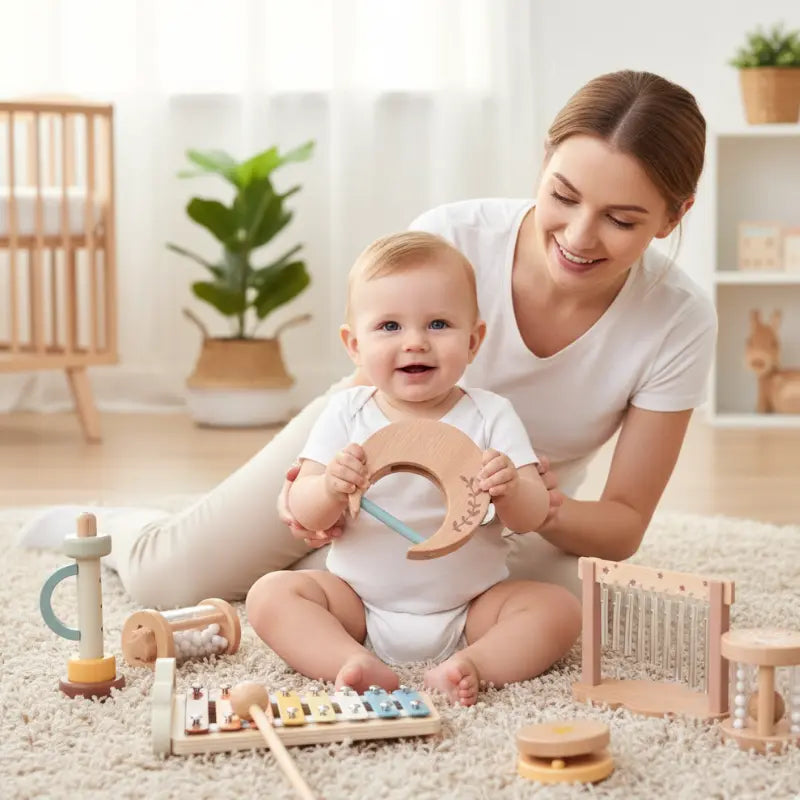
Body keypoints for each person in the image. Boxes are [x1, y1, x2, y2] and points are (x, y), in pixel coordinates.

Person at [18, 69, 716, 612]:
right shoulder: (457, 237)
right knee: (168, 580)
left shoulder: (676, 319)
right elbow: (371, 383)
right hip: (366, 438)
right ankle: (125, 525)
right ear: (544, 159)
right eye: (563, 196)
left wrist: (527, 505)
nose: (578, 236)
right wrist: (328, 478)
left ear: (673, 216)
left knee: (548, 606)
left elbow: (623, 524)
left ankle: (319, 572)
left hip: (510, 512)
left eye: (621, 219)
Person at [245, 232, 579, 706]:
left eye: (439, 324)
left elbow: (532, 516)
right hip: (357, 602)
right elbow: (305, 511)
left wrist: (510, 488)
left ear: (474, 340)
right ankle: (348, 661)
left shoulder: (491, 414)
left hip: (472, 605)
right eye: (389, 327)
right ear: (354, 345)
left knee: (558, 609)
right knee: (271, 595)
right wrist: (330, 488)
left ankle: (471, 665)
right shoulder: (346, 413)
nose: (416, 343)